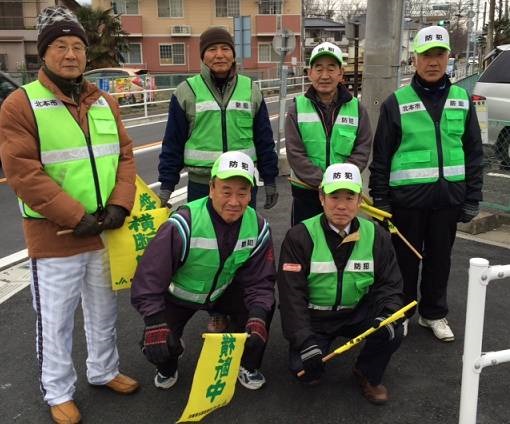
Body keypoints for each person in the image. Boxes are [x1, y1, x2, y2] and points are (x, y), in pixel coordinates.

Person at [0, 6, 139, 424]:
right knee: (55, 319)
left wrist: (119, 204)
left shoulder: (105, 102)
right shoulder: (20, 104)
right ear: (44, 53)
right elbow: (23, 172)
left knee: (104, 309)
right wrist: (74, 215)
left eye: (77, 46)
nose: (71, 54)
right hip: (54, 233)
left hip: (104, 229)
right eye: (60, 46)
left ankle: (103, 370)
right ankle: (57, 390)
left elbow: (126, 157)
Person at [368, 26, 483, 342]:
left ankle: (434, 314)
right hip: (406, 200)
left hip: (449, 199)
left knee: (440, 260)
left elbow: (474, 151)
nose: (433, 62)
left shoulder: (462, 99)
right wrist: (380, 200)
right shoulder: (397, 102)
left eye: (439, 55)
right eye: (426, 55)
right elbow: (382, 157)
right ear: (414, 58)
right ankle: (402, 313)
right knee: (403, 262)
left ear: (449, 57)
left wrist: (473, 196)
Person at [132, 151, 276, 391]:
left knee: (262, 312)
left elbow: (260, 281)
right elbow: (149, 277)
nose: (234, 201)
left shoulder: (259, 227)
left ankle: (248, 365)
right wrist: (154, 320)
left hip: (222, 292)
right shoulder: (183, 223)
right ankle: (172, 354)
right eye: (226, 191)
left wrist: (258, 315)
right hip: (179, 297)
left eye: (242, 192)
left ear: (251, 193)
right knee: (155, 346)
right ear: (211, 188)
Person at [277, 163, 404, 405]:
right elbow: (291, 296)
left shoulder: (377, 235)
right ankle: (313, 347)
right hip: (315, 317)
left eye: (349, 197)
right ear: (321, 197)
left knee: (394, 328)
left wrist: (386, 315)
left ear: (360, 200)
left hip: (357, 312)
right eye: (334, 196)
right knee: (304, 371)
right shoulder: (299, 236)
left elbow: (390, 285)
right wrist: (304, 341)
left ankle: (367, 372)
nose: (342, 206)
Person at [157, 26, 279, 210]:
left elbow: (264, 139)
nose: (219, 55)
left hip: (243, 182)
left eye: (225, 48)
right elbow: (173, 142)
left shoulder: (250, 89)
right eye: (212, 49)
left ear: (233, 54)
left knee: (243, 236)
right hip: (201, 185)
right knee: (203, 237)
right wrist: (167, 187)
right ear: (203, 55)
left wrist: (269, 179)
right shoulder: (186, 91)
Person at [285, 41, 372, 226]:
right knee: (305, 246)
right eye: (319, 68)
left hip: (343, 194)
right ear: (310, 73)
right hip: (306, 193)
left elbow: (362, 150)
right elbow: (295, 153)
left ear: (341, 73)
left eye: (331, 68)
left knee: (342, 246)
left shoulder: (357, 109)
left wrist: (338, 182)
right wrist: (323, 181)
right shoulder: (297, 109)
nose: (325, 75)